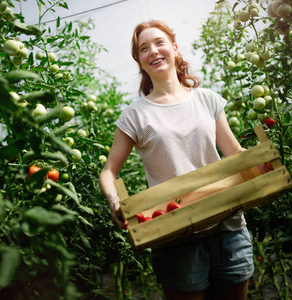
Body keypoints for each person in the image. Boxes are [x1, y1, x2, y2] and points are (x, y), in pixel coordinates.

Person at [99, 20, 264, 300]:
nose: (153, 51)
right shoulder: (135, 115)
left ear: (174, 49)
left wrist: (263, 162)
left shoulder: (207, 99)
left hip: (229, 227)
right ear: (140, 61)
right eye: (143, 48)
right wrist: (115, 200)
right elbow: (108, 171)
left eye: (159, 42)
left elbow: (234, 154)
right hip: (175, 235)